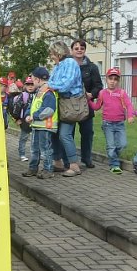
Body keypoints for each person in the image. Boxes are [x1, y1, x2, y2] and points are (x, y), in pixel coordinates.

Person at [47, 40, 84, 177]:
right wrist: (50, 84)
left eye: (52, 53)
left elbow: (65, 84)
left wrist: (49, 85)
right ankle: (58, 162)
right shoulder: (58, 65)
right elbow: (52, 81)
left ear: (58, 52)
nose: (51, 56)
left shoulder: (70, 63)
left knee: (65, 134)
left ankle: (74, 165)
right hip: (60, 103)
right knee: (54, 133)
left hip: (70, 103)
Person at [88, 67, 135, 174]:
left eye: (115, 79)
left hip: (120, 124)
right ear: (106, 79)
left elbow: (129, 105)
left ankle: (112, 155)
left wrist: (130, 115)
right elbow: (96, 107)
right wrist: (89, 100)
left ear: (118, 81)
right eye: (110, 78)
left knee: (122, 145)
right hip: (107, 124)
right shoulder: (102, 93)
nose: (112, 81)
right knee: (111, 145)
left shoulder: (122, 93)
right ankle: (114, 165)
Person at [70, 39, 103, 169]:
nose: (79, 50)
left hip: (86, 105)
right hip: (70, 105)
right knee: (68, 134)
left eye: (82, 48)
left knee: (87, 132)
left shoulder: (92, 67)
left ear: (84, 50)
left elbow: (98, 85)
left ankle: (86, 158)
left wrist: (91, 94)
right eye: (76, 48)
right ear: (72, 50)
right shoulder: (67, 65)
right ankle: (70, 159)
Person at [21, 67, 58, 179]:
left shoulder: (48, 93)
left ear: (37, 79)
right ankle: (33, 168)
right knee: (34, 149)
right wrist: (28, 115)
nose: (31, 81)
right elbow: (31, 106)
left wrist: (34, 116)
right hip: (37, 126)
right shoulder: (38, 93)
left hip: (45, 127)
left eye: (32, 78)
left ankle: (48, 170)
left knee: (45, 149)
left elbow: (49, 110)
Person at [10, 76, 36, 162]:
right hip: (24, 121)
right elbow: (16, 108)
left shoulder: (38, 94)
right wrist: (16, 118)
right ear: (25, 85)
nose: (30, 86)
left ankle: (35, 154)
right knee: (23, 138)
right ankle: (22, 154)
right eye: (28, 84)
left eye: (32, 84)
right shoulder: (23, 95)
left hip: (36, 120)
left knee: (35, 139)